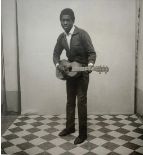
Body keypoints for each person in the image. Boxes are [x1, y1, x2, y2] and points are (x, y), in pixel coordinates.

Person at [53, 8, 96, 144]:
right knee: (70, 101)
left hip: (82, 74)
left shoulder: (82, 34)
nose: (65, 23)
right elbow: (55, 54)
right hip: (70, 74)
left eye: (68, 20)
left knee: (81, 103)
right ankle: (70, 128)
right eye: (63, 20)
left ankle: (83, 134)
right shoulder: (61, 37)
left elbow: (92, 53)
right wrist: (58, 65)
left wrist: (90, 64)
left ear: (73, 21)